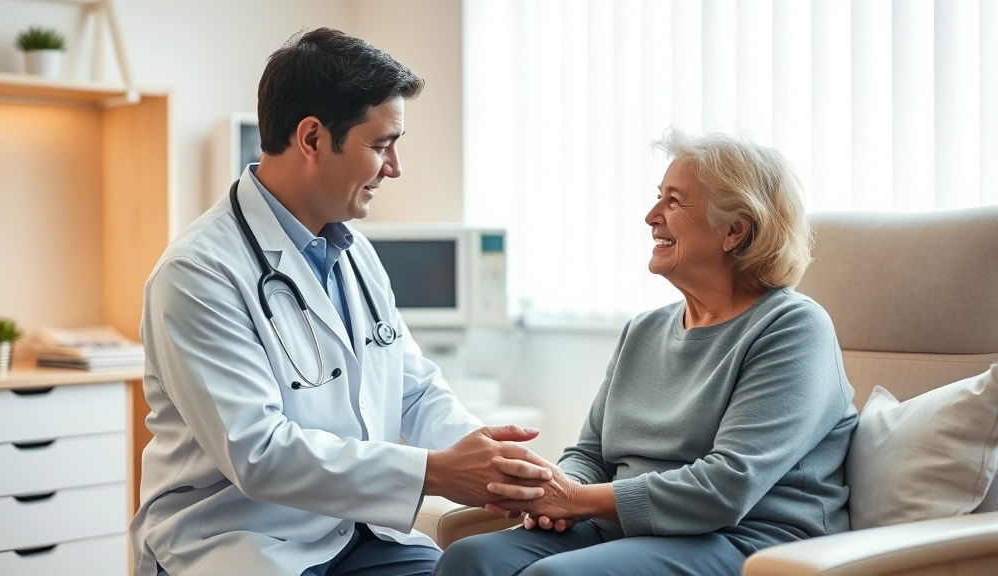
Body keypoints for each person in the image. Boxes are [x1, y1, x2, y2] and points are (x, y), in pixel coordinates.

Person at [130, 28, 552, 576]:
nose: (394, 167)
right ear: (311, 139)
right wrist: (435, 473)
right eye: (380, 146)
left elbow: (415, 387)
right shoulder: (197, 273)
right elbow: (260, 454)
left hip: (355, 534)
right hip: (240, 540)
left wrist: (488, 461)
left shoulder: (354, 253)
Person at [436, 129, 859, 576]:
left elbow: (726, 487)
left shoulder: (792, 327)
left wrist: (576, 500)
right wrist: (555, 490)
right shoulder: (645, 329)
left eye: (674, 201)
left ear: (734, 230)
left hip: (747, 538)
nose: (651, 216)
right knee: (470, 558)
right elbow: (590, 454)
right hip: (622, 529)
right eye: (659, 197)